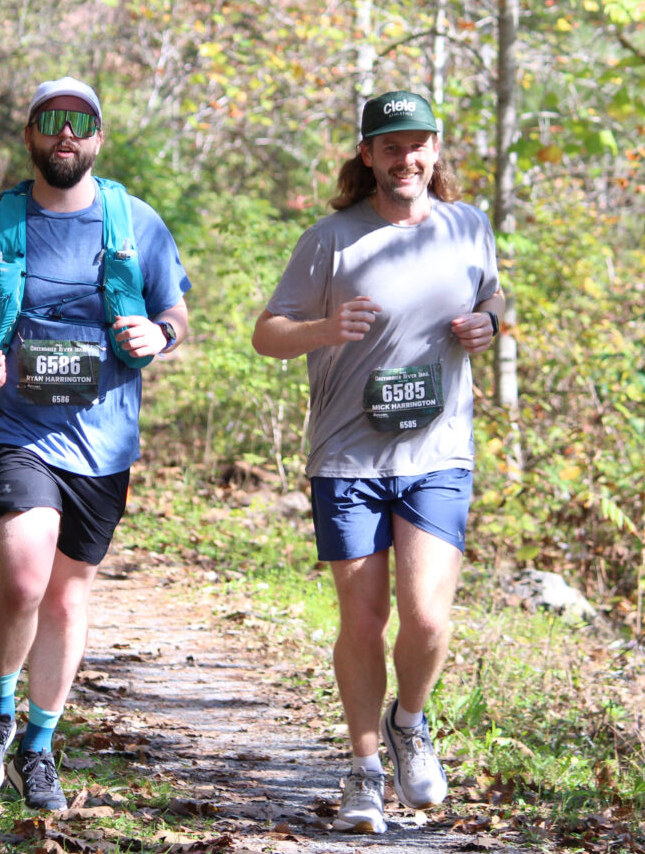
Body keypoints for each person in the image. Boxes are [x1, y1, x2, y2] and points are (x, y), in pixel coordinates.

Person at [251, 90, 503, 834]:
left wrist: (487, 324)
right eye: (390, 146)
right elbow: (267, 334)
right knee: (364, 620)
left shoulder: (468, 227)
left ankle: (410, 722)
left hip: (437, 454)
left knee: (426, 618)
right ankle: (364, 771)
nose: (407, 158)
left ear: (436, 149)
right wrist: (327, 328)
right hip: (347, 457)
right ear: (367, 155)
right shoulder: (332, 240)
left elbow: (492, 301)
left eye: (418, 143)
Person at [0, 76, 190, 810]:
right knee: (22, 580)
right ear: (32, 137)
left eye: (80, 123)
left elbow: (174, 310)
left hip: (104, 442)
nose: (66, 135)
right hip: (18, 429)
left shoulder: (136, 222)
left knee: (68, 597)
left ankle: (39, 748)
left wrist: (159, 334)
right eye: (52, 123)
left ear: (99, 138)